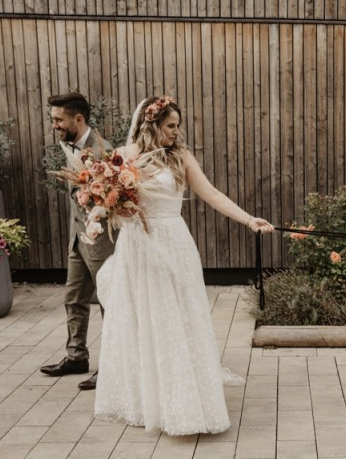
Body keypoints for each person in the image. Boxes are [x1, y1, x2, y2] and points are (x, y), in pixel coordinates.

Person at [93, 96, 274, 435]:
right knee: (145, 317)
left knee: (176, 316)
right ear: (152, 125)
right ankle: (149, 399)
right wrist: (96, 217)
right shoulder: (125, 157)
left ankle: (183, 397)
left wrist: (249, 220)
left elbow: (213, 195)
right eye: (170, 126)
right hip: (139, 247)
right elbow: (106, 197)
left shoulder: (181, 156)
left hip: (173, 242)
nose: (176, 132)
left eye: (177, 125)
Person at [40, 92, 114, 390]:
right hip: (77, 238)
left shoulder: (103, 152)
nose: (55, 125)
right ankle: (76, 356)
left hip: (100, 240)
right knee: (73, 298)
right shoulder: (70, 146)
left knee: (108, 301)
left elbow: (112, 200)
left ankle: (111, 364)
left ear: (78, 118)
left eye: (59, 119)